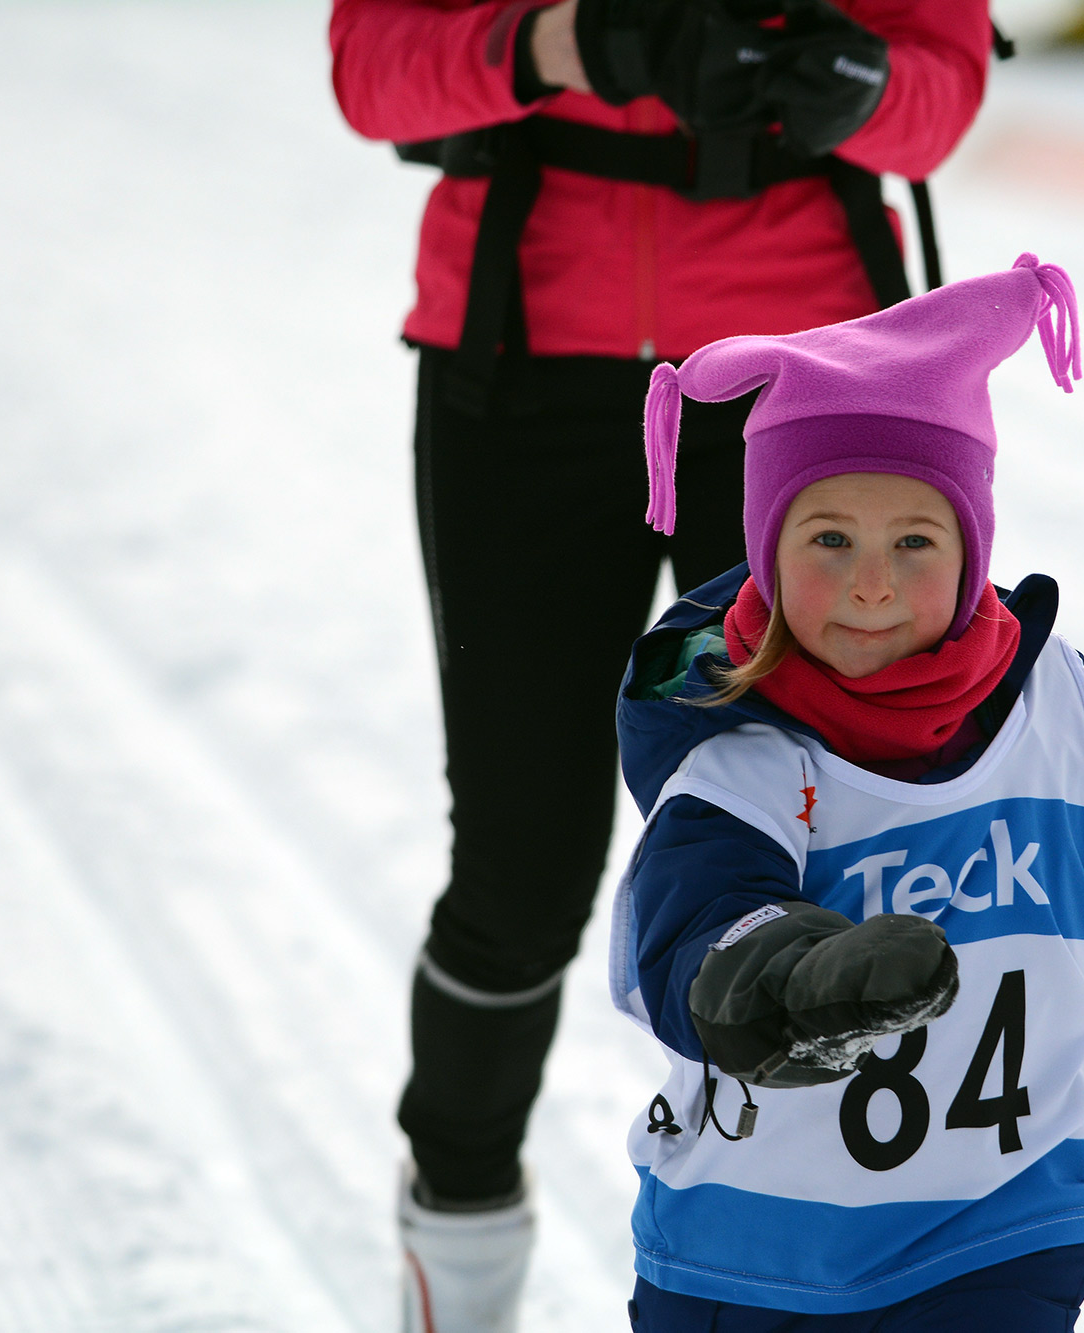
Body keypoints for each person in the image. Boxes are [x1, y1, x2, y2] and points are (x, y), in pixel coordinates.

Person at [326, 0, 993, 1327]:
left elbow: (943, 95)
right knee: (524, 867)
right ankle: (456, 1243)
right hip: (521, 369)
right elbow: (372, 75)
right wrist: (566, 43)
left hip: (797, 392)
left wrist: (850, 80)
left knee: (826, 858)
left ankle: (836, 1268)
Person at [605, 254, 1084, 1329]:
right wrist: (790, 976)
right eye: (828, 541)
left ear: (972, 553)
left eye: (914, 541)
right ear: (765, 554)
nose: (872, 582)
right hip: (761, 1250)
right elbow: (698, 926)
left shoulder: (1053, 705)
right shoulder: (744, 750)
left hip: (1008, 1224)